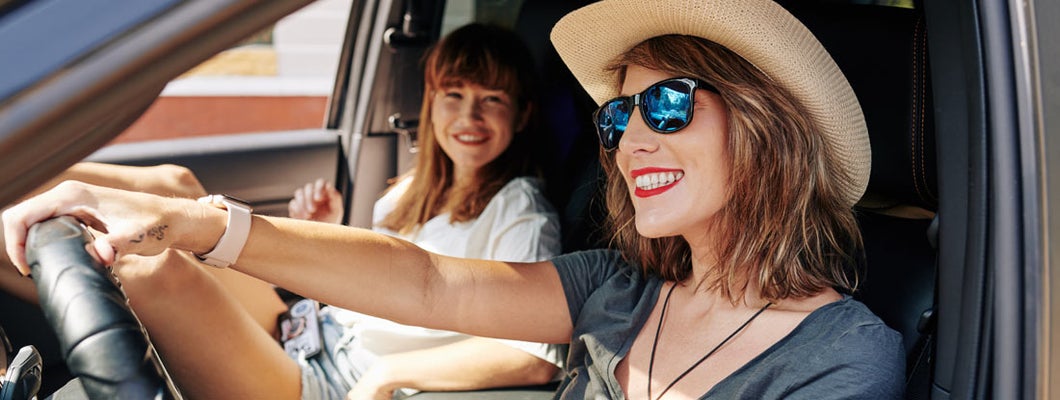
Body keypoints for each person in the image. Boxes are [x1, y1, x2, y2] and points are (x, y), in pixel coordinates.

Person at [2, 0, 906, 399]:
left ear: (766, 125)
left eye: (667, 103)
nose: (632, 138)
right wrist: (197, 223)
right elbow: (432, 282)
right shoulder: (616, 289)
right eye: (620, 111)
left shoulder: (842, 357)